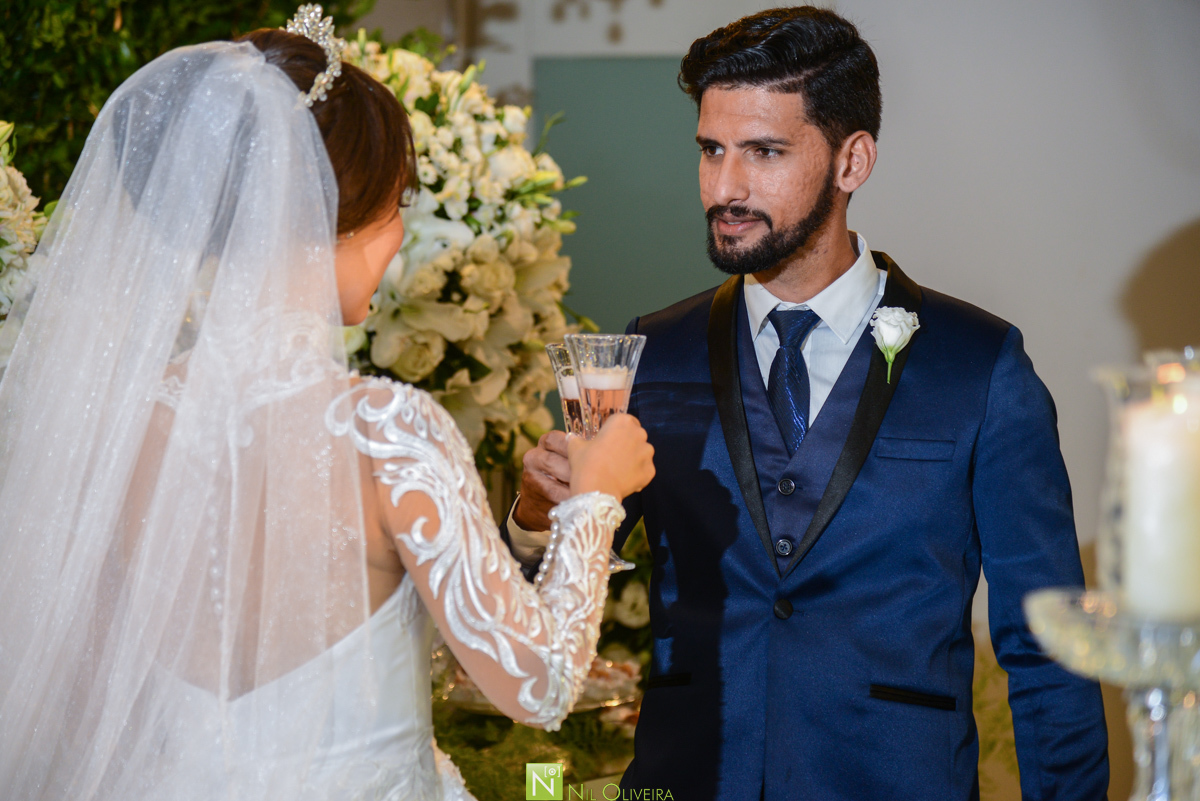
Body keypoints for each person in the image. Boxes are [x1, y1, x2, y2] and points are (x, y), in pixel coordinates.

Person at [0, 9, 654, 801]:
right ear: (330, 216)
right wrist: (596, 498)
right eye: (394, 204)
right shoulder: (386, 430)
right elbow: (541, 684)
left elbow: (79, 695)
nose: (399, 235)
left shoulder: (124, 422)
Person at [509, 6, 1108, 799]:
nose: (725, 186)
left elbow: (1051, 646)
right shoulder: (656, 351)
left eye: (764, 152)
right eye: (712, 150)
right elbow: (547, 612)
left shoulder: (979, 365)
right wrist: (530, 514)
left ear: (852, 160)